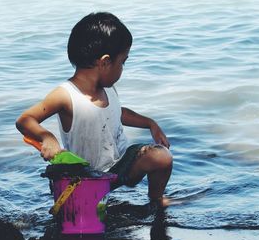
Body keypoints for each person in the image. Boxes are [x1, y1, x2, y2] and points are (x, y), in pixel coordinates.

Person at [16, 12, 173, 207]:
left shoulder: (108, 88)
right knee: (80, 216)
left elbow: (118, 113)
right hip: (83, 177)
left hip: (119, 166)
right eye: (122, 61)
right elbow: (25, 119)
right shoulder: (66, 95)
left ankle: (156, 200)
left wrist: (150, 123)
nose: (123, 68)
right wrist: (47, 137)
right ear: (105, 62)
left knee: (161, 157)